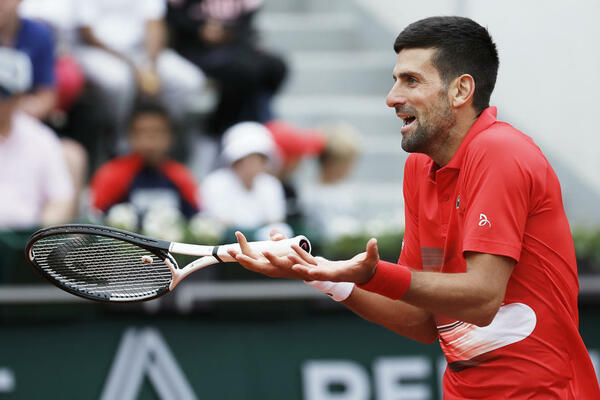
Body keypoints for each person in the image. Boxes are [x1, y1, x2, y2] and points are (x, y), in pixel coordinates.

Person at [227, 16, 600, 398]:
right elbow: (420, 320)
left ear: (460, 90)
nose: (392, 97)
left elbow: (483, 298)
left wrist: (374, 274)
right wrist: (320, 274)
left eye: (411, 81)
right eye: (396, 80)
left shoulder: (500, 151)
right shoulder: (420, 166)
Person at [75, 0, 205, 141]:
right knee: (118, 82)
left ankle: (164, 135)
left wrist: (151, 66)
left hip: (142, 51)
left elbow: (155, 24)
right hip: (98, 52)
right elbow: (87, 34)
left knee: (190, 81)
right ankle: (122, 139)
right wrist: (133, 66)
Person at [167, 0, 288, 136]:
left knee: (275, 67)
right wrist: (200, 28)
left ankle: (257, 120)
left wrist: (227, 32)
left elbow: (246, 27)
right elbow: (171, 18)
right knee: (241, 71)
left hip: (233, 46)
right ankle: (220, 128)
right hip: (193, 49)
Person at [0, 47, 74, 229]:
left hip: (25, 237)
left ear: (19, 97)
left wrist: (38, 237)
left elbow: (61, 200)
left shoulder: (41, 139)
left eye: (4, 94)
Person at [90, 101, 201, 219]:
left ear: (171, 136)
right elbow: (96, 219)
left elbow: (195, 220)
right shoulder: (112, 174)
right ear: (130, 136)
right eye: (142, 132)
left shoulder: (181, 176)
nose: (150, 141)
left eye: (157, 132)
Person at [201, 121, 287, 236]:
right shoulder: (214, 183)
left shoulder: (270, 184)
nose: (255, 165)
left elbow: (275, 222)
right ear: (237, 161)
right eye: (249, 159)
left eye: (259, 159)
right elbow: (220, 224)